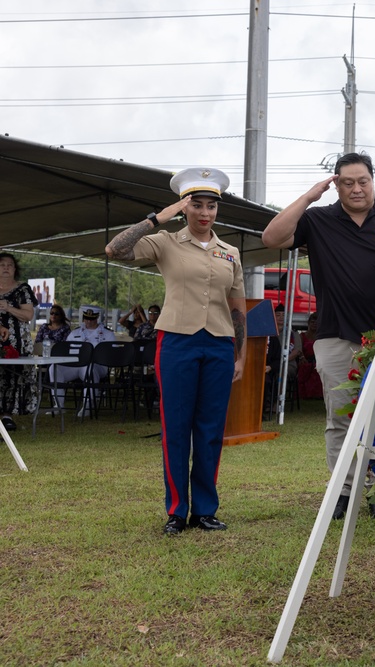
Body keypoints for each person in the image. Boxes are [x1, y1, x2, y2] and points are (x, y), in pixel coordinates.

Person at [261, 152, 375, 520]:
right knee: (341, 418)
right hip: (335, 335)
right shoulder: (318, 219)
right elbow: (271, 236)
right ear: (335, 184)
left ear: (373, 180)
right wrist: (308, 197)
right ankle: (345, 490)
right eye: (347, 182)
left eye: (362, 181)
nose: (356, 188)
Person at [106, 167, 246, 536]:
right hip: (177, 342)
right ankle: (176, 511)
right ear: (184, 208)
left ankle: (204, 510)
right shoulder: (166, 241)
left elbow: (236, 305)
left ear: (217, 210)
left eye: (211, 206)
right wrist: (157, 218)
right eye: (196, 205)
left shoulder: (230, 252)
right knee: (176, 428)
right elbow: (115, 249)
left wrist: (240, 353)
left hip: (218, 343)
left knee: (211, 429)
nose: (204, 213)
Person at [0, 253, 39, 432]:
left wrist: (9, 308)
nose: (6, 267)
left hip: (17, 342)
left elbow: (28, 315)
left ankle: (8, 415)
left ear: (15, 269)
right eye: (2, 265)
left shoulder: (23, 289)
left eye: (10, 265)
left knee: (13, 377)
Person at [52, 306, 115, 417]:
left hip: (97, 366)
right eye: (86, 318)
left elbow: (111, 354)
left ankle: (87, 406)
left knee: (89, 367)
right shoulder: (75, 333)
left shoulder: (107, 334)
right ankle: (59, 405)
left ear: (97, 318)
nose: (88, 321)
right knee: (55, 368)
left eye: (91, 319)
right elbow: (67, 350)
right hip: (75, 365)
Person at [264, 304, 302, 413]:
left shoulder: (293, 332)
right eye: (278, 315)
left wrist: (284, 360)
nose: (281, 317)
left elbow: (297, 351)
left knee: (281, 374)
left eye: (284, 315)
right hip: (271, 363)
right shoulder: (269, 332)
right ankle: (265, 402)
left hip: (287, 363)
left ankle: (277, 403)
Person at [297, 312, 323, 399]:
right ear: (308, 323)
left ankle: (318, 395)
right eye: (312, 322)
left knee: (319, 368)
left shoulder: (321, 336)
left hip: (319, 360)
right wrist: (302, 357)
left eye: (317, 322)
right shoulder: (302, 336)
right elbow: (299, 349)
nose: (314, 324)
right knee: (305, 367)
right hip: (305, 359)